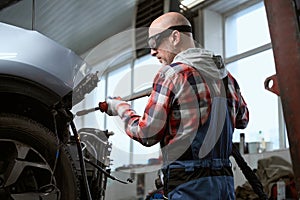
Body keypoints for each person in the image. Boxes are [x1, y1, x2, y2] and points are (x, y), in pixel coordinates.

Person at [99, 12, 249, 199]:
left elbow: (147, 134)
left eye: (154, 43)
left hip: (188, 185)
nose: (152, 52)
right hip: (224, 185)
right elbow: (242, 120)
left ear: (175, 37)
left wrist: (120, 108)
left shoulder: (172, 74)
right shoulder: (226, 77)